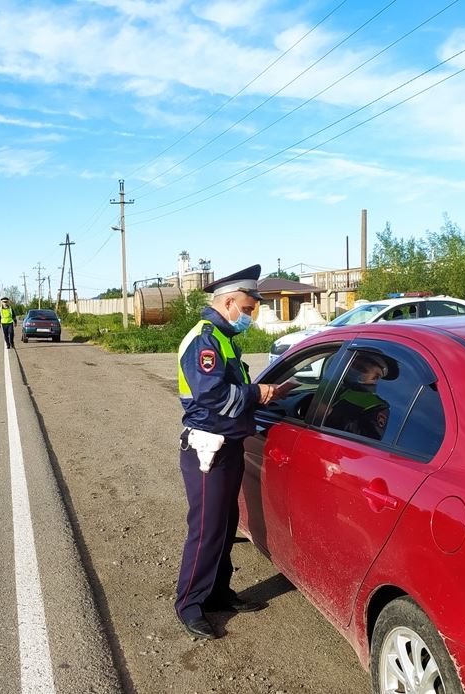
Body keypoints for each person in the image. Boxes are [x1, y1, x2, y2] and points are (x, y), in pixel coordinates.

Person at [174, 264, 296, 640]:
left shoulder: (225, 339)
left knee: (225, 528)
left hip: (228, 446)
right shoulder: (205, 340)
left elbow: (233, 395)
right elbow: (211, 397)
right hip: (207, 450)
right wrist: (256, 394)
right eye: (247, 308)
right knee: (207, 530)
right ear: (228, 302)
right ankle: (190, 604)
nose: (251, 314)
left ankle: (219, 592)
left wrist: (267, 394)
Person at [324, 353, 391, 440]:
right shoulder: (342, 386)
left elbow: (368, 439)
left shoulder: (378, 406)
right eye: (353, 365)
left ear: (374, 378)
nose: (353, 370)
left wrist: (332, 415)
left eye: (360, 368)